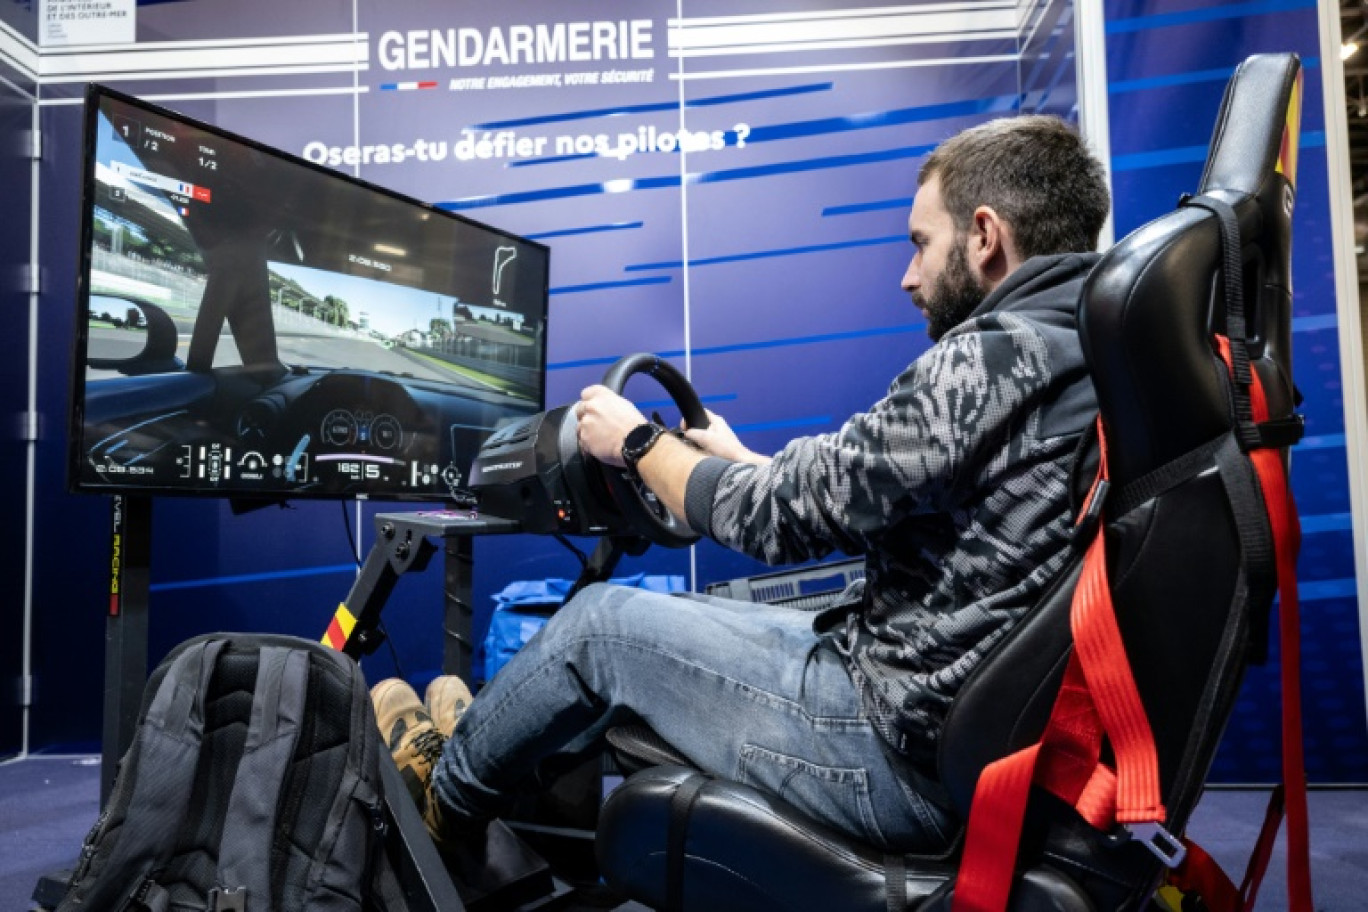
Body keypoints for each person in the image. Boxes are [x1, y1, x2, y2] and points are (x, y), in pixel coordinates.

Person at [371, 114, 1112, 859]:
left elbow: (775, 524)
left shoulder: (990, 362)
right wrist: (738, 460)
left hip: (896, 757)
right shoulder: (1081, 350)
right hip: (958, 727)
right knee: (679, 613)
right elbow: (877, 494)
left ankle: (448, 796)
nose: (909, 275)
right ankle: (489, 742)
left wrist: (637, 443)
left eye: (922, 244)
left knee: (599, 625)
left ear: (984, 236)